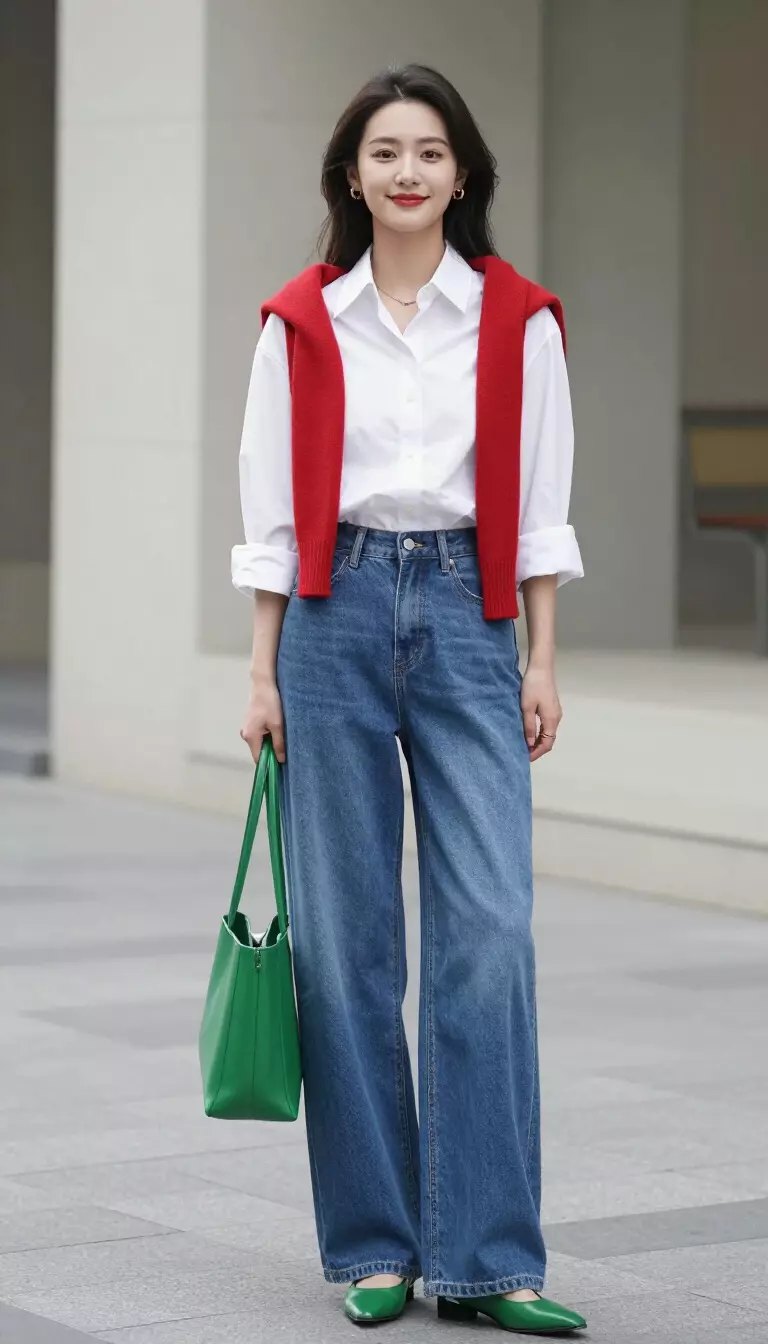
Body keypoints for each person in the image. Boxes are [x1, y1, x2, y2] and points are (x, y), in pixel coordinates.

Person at [232, 62, 586, 1334]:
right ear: (351, 175)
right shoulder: (300, 322)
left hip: (473, 616)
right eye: (385, 150)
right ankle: (377, 1246)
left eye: (430, 151)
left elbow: (542, 513)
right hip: (332, 618)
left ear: (464, 174)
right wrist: (264, 671)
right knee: (348, 951)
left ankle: (494, 1257)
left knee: (489, 937)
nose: (407, 171)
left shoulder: (518, 320)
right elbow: (273, 518)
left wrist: (541, 657)